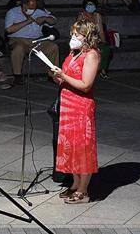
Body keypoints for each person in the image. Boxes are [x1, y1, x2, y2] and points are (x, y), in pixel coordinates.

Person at [52, 20, 101, 204]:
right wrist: (57, 75)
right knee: (71, 146)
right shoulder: (75, 52)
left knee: (82, 148)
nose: (73, 38)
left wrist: (63, 76)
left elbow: (86, 85)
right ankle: (74, 183)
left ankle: (83, 190)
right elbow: (67, 78)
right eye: (72, 34)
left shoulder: (91, 55)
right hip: (67, 106)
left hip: (80, 107)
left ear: (86, 36)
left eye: (76, 35)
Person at [4, 0, 58, 85]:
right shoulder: (12, 12)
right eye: (29, 7)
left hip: (36, 41)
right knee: (18, 48)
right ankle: (17, 76)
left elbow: (54, 21)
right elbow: (9, 29)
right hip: (18, 40)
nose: (32, 9)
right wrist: (28, 21)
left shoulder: (39, 12)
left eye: (34, 7)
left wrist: (45, 19)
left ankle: (52, 74)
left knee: (53, 47)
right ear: (24, 5)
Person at [77, 0, 111, 79]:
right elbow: (79, 32)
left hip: (95, 41)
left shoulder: (97, 16)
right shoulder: (81, 16)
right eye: (88, 4)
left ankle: (103, 71)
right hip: (84, 41)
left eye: (92, 5)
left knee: (106, 49)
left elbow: (101, 31)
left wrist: (104, 42)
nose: (90, 6)